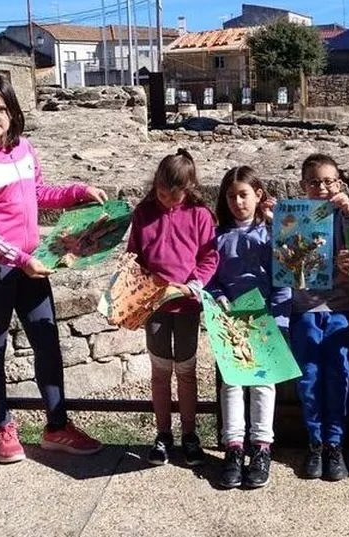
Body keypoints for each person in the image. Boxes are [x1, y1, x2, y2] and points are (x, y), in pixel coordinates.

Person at [0, 73, 104, 463]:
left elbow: (39, 193)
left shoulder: (24, 149)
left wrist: (77, 191)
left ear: (13, 112)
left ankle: (57, 426)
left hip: (31, 265)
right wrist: (21, 259)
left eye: (2, 109)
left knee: (47, 341)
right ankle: (2, 425)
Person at [127, 149, 218, 467]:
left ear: (188, 188)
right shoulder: (143, 212)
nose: (164, 198)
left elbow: (209, 257)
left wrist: (192, 285)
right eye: (160, 192)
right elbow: (134, 256)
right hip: (154, 306)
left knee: (187, 371)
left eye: (171, 195)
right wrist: (135, 288)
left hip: (187, 306)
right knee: (160, 371)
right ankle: (163, 433)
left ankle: (190, 434)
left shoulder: (200, 215)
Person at [207, 166, 291, 489]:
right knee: (231, 384)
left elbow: (284, 276)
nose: (237, 201)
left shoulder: (271, 235)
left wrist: (279, 319)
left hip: (264, 317)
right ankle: (233, 447)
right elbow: (211, 276)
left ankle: (261, 448)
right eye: (231, 196)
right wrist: (217, 299)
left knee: (262, 384)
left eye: (244, 194)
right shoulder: (218, 237)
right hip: (229, 319)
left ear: (259, 195)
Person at [290, 153, 349, 481]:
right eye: (314, 182)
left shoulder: (345, 216)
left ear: (340, 184)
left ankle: (335, 443)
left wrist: (348, 211)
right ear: (304, 186)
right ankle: (315, 442)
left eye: (329, 181)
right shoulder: (294, 217)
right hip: (306, 308)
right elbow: (283, 258)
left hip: (340, 308)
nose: (322, 187)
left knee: (340, 374)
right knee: (309, 378)